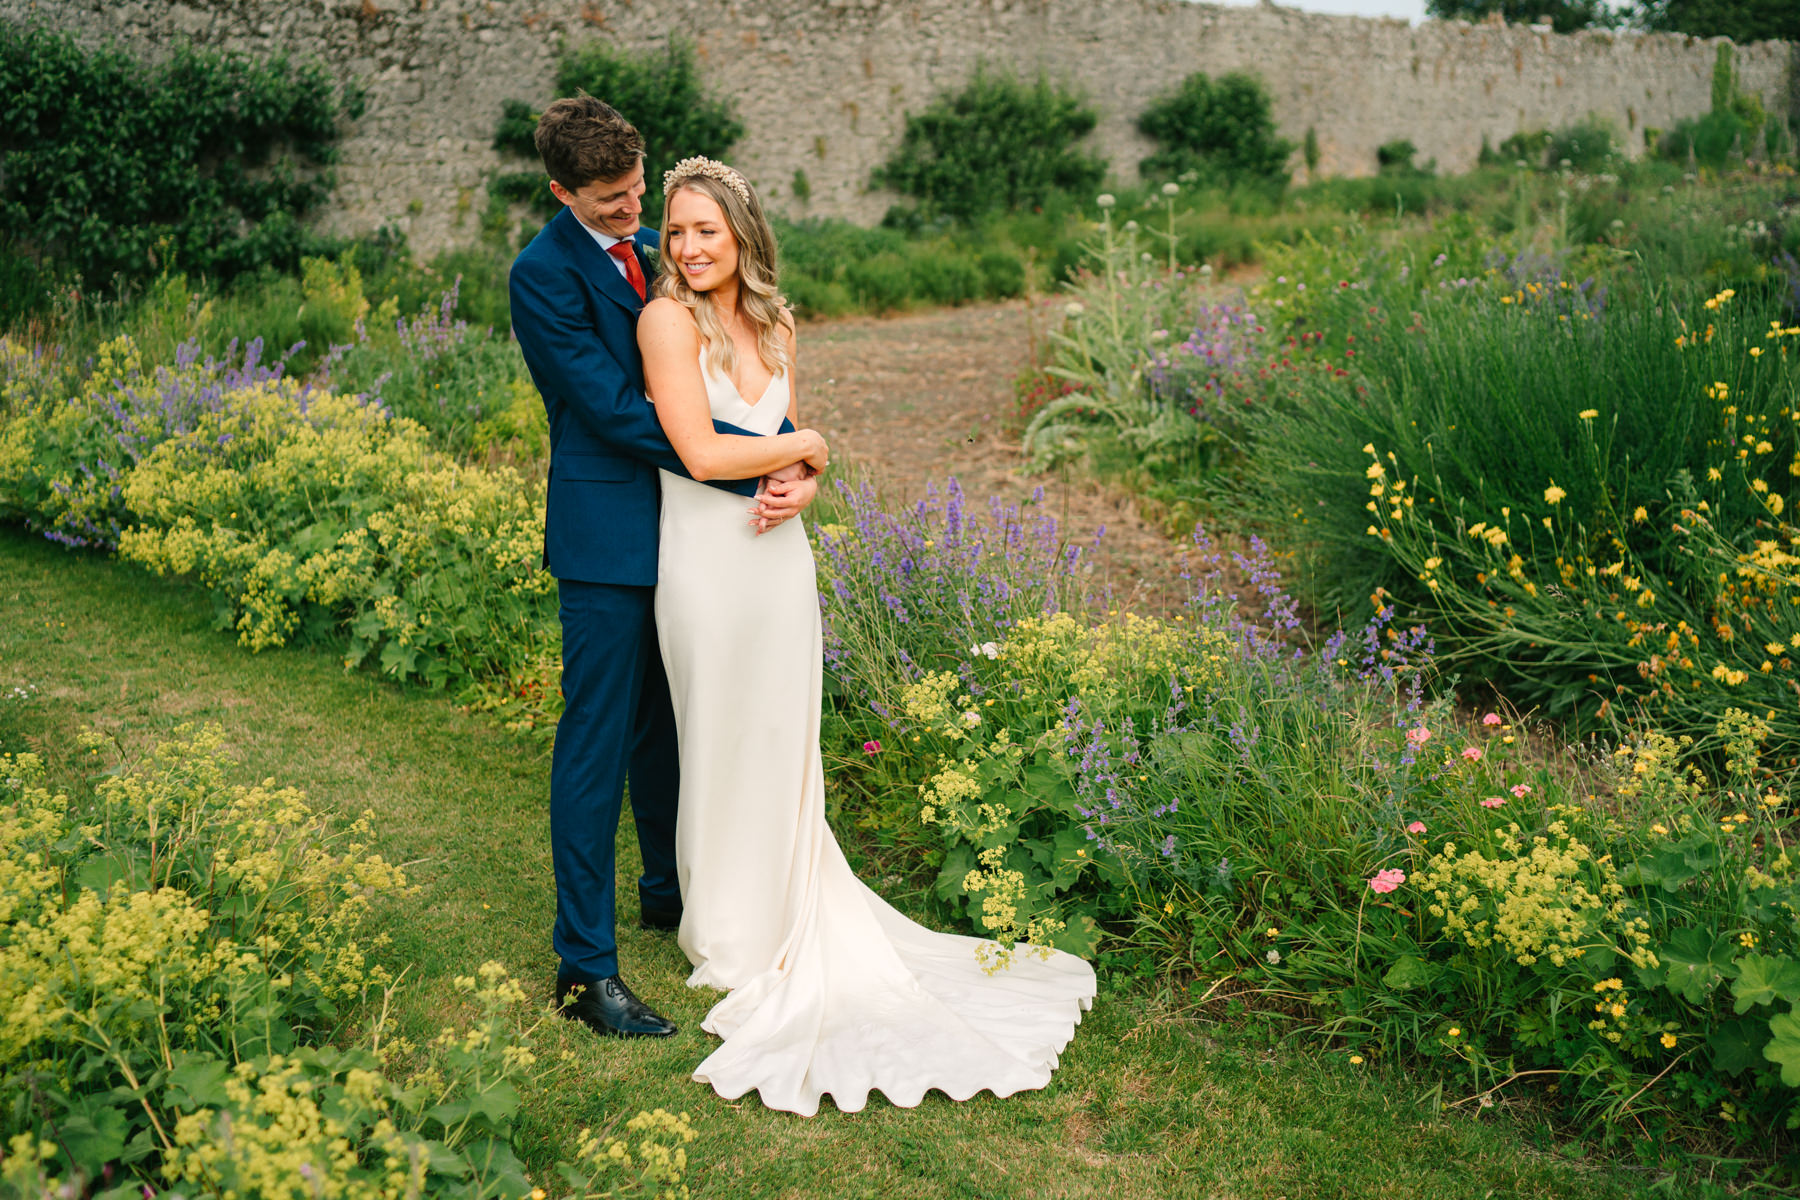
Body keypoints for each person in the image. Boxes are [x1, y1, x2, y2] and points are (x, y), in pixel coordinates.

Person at [639, 156, 1096, 1116]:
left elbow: (786, 431)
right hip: (706, 563)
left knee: (781, 739)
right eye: (674, 231)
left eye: (703, 232)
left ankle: (788, 905)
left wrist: (809, 469)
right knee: (717, 737)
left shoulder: (775, 321)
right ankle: (727, 933)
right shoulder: (665, 321)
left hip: (777, 556)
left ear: (742, 233)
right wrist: (810, 448)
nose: (685, 249)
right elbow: (701, 450)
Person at [508, 98, 821, 1040]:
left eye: (638, 189)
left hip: (693, 532)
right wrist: (769, 458)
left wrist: (789, 462)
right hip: (610, 532)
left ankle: (666, 890)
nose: (632, 211)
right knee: (599, 741)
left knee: (671, 728)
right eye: (609, 200)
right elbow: (615, 411)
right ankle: (584, 967)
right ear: (562, 192)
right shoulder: (541, 276)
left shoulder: (662, 245)